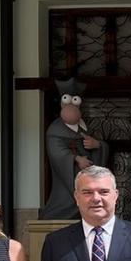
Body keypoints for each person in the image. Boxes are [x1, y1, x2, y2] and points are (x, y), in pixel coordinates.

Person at [39, 78, 109, 220]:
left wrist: (97, 145)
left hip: (87, 175)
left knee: (88, 193)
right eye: (67, 100)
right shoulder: (55, 129)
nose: (71, 105)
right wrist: (76, 159)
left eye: (75, 100)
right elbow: (56, 152)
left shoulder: (84, 127)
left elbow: (100, 145)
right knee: (69, 199)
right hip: (68, 176)